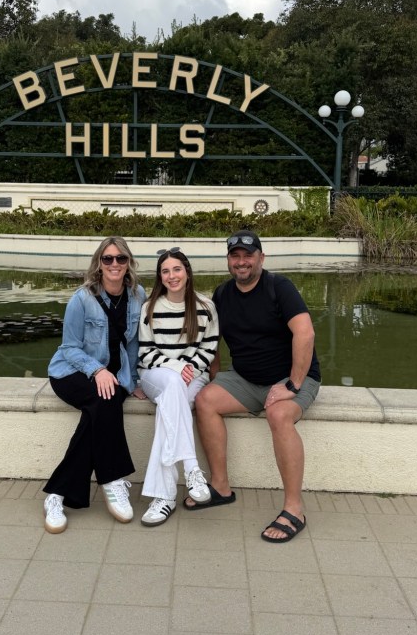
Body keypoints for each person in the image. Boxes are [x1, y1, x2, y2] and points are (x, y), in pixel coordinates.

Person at [190, 229, 321, 543]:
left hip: (293, 377)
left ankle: (294, 509)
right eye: (235, 256)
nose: (241, 262)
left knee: (278, 416)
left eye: (248, 255)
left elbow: (306, 334)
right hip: (247, 379)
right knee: (205, 400)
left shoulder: (280, 287)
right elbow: (212, 342)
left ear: (261, 258)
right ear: (228, 261)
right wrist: (213, 376)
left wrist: (293, 383)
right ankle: (220, 487)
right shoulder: (222, 294)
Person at [43, 236, 146, 533]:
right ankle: (113, 479)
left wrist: (133, 380)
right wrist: (97, 369)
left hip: (113, 377)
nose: (115, 264)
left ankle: (57, 494)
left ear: (129, 263)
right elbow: (69, 348)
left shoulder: (137, 294)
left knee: (103, 406)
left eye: (121, 259)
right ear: (98, 264)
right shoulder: (82, 298)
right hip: (70, 373)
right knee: (106, 400)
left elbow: (134, 344)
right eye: (108, 259)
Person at [137, 247, 220, 526]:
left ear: (187, 272)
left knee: (170, 408)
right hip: (155, 375)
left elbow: (209, 350)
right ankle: (192, 468)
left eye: (176, 269)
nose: (171, 276)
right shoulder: (150, 308)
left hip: (192, 377)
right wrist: (176, 368)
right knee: (171, 386)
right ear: (160, 277)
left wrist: (191, 369)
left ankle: (164, 497)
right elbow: (145, 353)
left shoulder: (205, 307)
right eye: (165, 271)